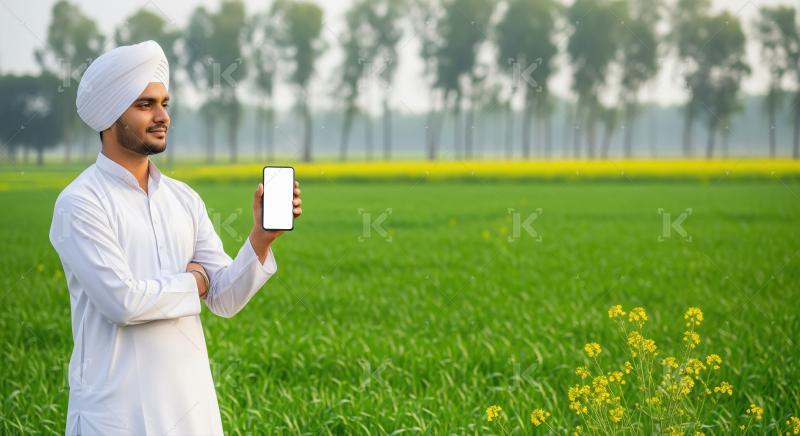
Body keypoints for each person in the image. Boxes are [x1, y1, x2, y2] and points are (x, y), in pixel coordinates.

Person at [48, 40, 302, 435]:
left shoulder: (183, 199)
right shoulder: (80, 203)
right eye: (145, 105)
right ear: (111, 114)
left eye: (164, 103)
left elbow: (225, 298)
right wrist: (195, 281)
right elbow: (122, 302)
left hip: (190, 409)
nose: (162, 116)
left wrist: (261, 238)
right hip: (116, 415)